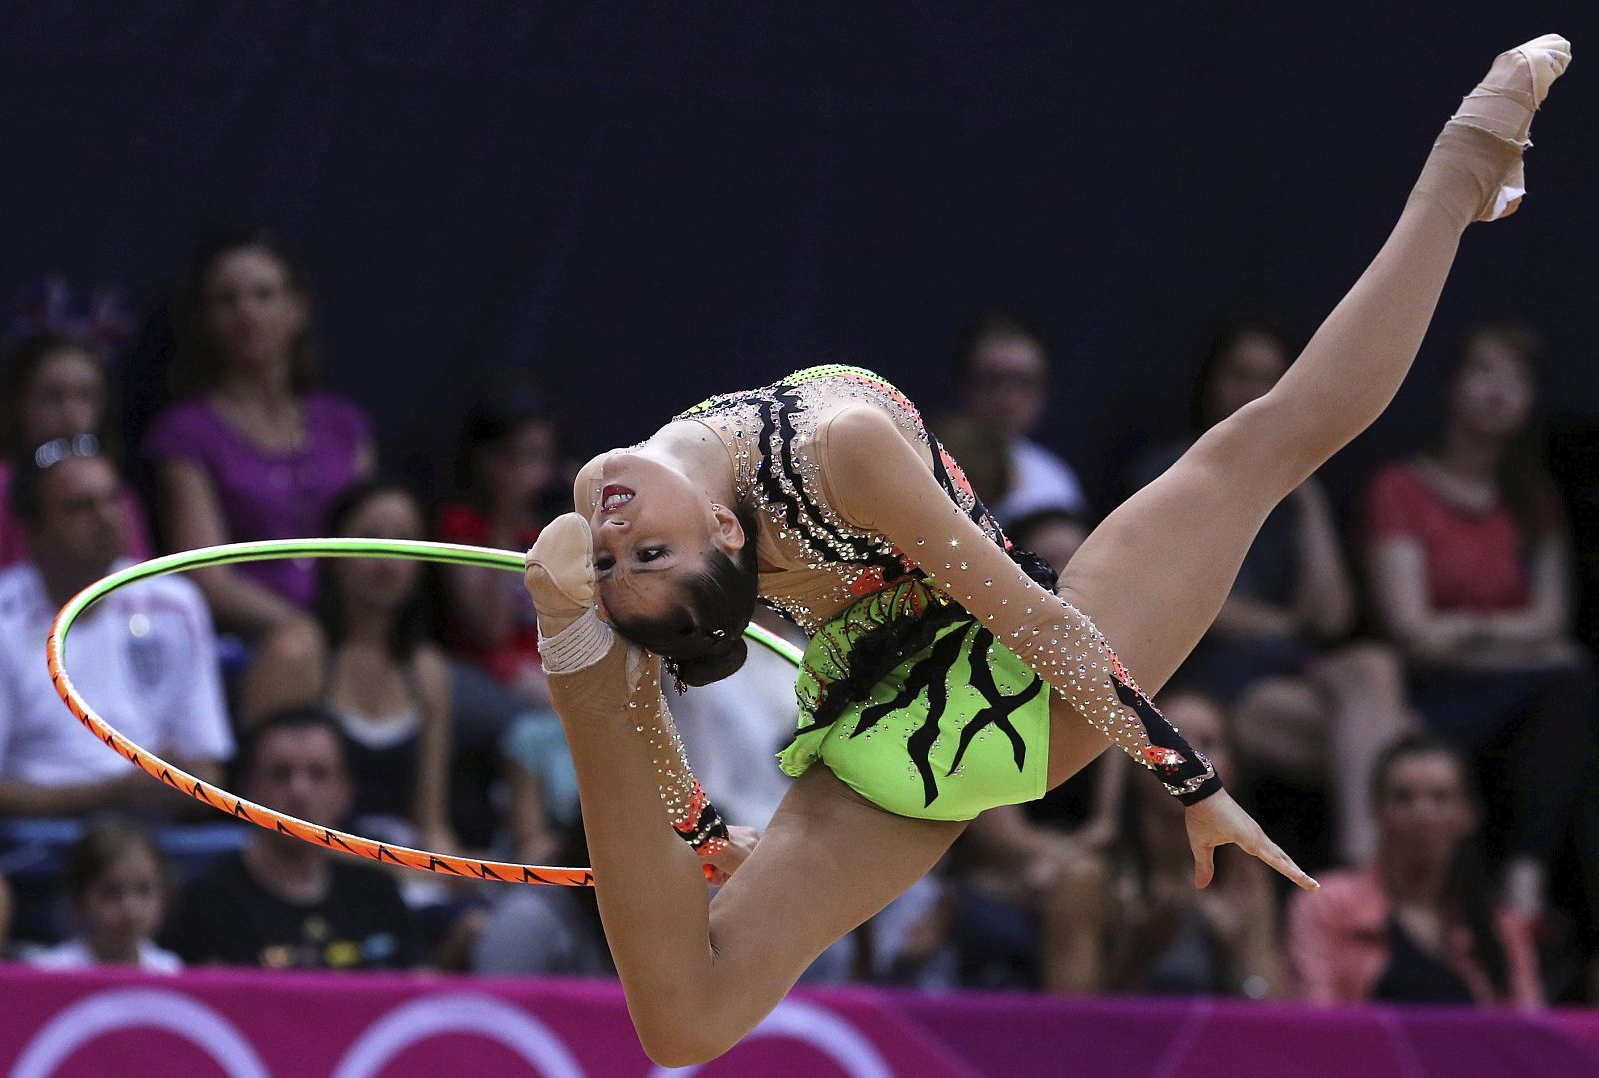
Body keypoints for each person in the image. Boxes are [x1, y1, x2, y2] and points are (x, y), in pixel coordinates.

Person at [518, 38, 1568, 1064]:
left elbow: (1014, 603)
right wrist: (1189, 779)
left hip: (902, 714)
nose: (606, 536)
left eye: (618, 559)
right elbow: (1031, 616)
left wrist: (704, 826)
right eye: (628, 555)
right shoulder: (835, 452)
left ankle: (1469, 171)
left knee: (685, 1025)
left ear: (729, 529)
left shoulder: (624, 484)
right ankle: (1463, 165)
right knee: (1268, 441)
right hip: (1010, 698)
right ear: (722, 534)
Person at [1129, 318, 1412, 865]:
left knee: (1374, 669)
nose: (1254, 392)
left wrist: (1308, 502)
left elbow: (1330, 619)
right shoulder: (1171, 471)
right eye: (1240, 375)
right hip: (1209, 677)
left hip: (1291, 669)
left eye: (1270, 378)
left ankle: (1361, 862)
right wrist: (1285, 627)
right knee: (1396, 738)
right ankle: (1374, 870)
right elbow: (1184, 601)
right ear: (1211, 385)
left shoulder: (1294, 484)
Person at [1364, 323, 1594, 915]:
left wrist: (1466, 631)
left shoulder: (1533, 499)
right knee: (1560, 674)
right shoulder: (1402, 488)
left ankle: (1525, 888)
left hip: (1505, 695)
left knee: (1572, 685)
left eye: (1516, 378)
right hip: (1427, 693)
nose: (1499, 390)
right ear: (1452, 386)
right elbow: (1411, 631)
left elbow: (1554, 620)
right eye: (1484, 372)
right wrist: (1513, 636)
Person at [144, 230, 375, 637]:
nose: (246, 313)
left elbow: (382, 543)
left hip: (361, 636)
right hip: (254, 644)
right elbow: (210, 579)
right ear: (204, 321)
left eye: (263, 295)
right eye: (227, 300)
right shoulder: (186, 433)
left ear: (297, 308)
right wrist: (309, 634)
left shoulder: (344, 424)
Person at [0, 442, 232, 819]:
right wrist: (113, 793)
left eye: (112, 499)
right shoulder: (3, 618)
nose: (107, 517)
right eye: (81, 507)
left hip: (156, 839)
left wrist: (174, 783)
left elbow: (207, 767)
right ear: (32, 533)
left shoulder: (175, 603)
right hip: (33, 845)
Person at [242, 480, 456, 854]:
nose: (387, 556)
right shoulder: (295, 652)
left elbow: (432, 823)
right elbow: (258, 799)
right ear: (334, 548)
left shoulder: (428, 670)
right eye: (370, 537)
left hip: (404, 866)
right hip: (307, 856)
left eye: (404, 541)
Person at [1286, 735, 1542, 1007]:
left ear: (1469, 815)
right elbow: (1314, 1024)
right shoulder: (1325, 904)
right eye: (1403, 798)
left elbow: (1527, 1036)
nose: (1422, 814)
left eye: (1440, 798)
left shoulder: (1502, 927)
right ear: (1376, 811)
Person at [1056, 692, 1281, 996]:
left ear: (1234, 772)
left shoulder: (1241, 879)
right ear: (1134, 767)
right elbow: (1063, 1023)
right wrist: (1138, 956)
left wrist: (1239, 953)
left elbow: (1273, 1017)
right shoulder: (1089, 880)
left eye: (1208, 743)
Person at [164, 706, 422, 970]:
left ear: (345, 792)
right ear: (247, 792)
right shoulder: (207, 904)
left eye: (318, 774)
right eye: (280, 774)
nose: (299, 790)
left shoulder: (379, 895)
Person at [436, 402, 566, 702]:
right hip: (489, 673)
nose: (537, 473)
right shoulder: (462, 524)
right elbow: (490, 634)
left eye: (544, 458)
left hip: (552, 667)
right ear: (488, 460)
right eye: (524, 457)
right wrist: (506, 523)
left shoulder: (557, 525)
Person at [0, 332, 151, 569]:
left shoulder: (114, 488)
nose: (71, 414)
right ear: (20, 404)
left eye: (86, 396)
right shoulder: (2, 486)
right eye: (53, 397)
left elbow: (138, 577)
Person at [951, 309, 1088, 523]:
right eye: (992, 380)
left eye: (1023, 382)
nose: (1007, 399)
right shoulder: (922, 462)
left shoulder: (1054, 483)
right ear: (963, 385)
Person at [28, 822, 183, 973]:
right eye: (111, 893)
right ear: (77, 902)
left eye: (144, 890)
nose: (130, 910)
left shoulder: (170, 969)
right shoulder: (50, 971)